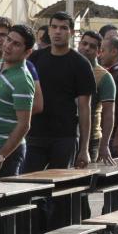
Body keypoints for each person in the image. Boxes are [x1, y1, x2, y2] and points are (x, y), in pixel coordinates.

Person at [24, 12, 96, 172]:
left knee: (61, 191)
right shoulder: (35, 58)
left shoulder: (81, 64)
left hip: (64, 137)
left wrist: (84, 148)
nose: (58, 32)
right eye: (54, 27)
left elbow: (85, 108)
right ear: (48, 30)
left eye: (63, 28)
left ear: (71, 32)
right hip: (34, 135)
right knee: (27, 188)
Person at [0, 24, 35, 196]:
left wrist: (0, 157)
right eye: (8, 40)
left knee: (1, 212)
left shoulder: (22, 80)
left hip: (4, 153)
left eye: (16, 44)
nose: (8, 45)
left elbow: (24, 125)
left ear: (27, 52)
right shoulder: (3, 63)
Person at [76, 30, 115, 164]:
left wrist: (104, 145)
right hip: (66, 137)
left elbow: (109, 114)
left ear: (99, 52)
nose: (87, 48)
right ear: (79, 45)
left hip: (91, 140)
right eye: (84, 43)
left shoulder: (104, 77)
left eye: (92, 46)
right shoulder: (68, 67)